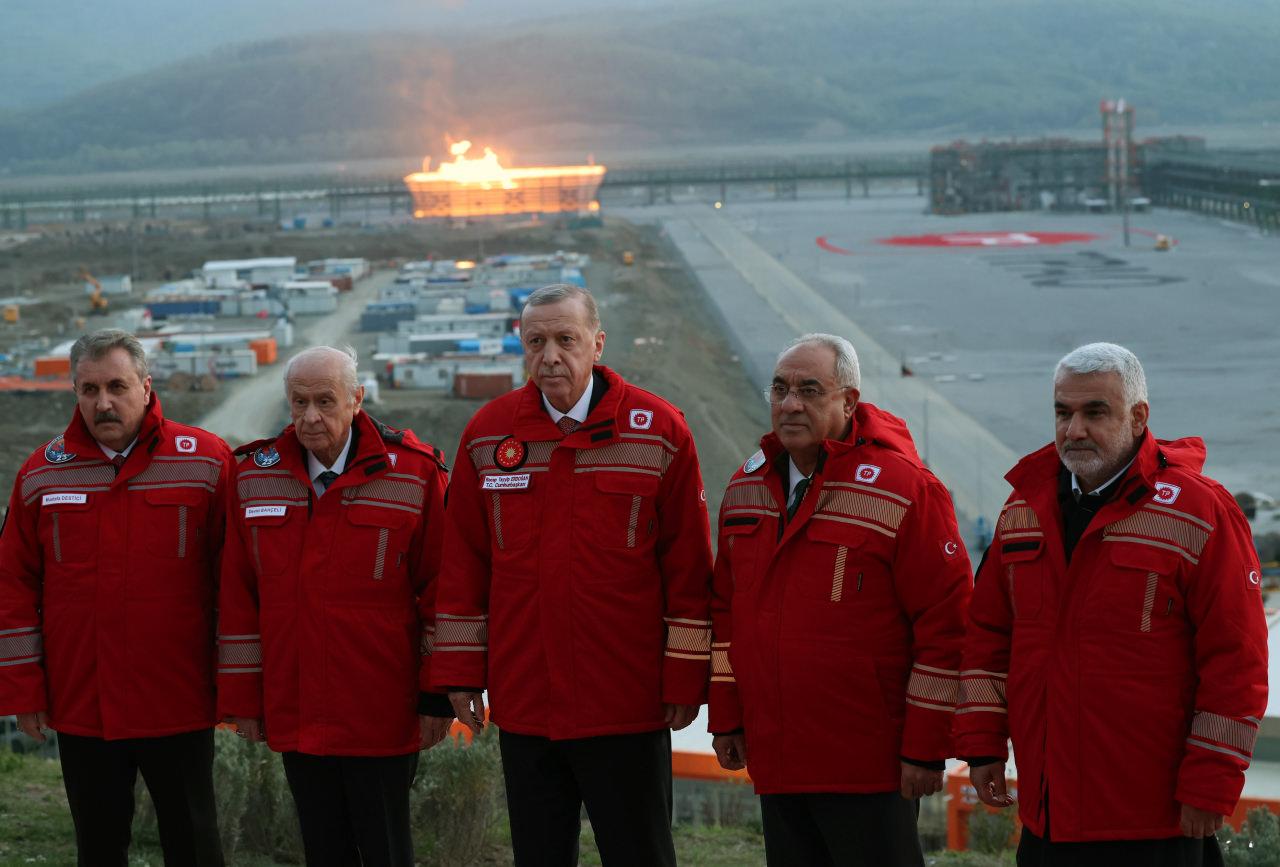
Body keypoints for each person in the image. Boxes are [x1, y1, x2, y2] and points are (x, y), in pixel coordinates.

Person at [431, 284, 714, 867]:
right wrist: (460, 673)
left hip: (627, 700)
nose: (550, 356)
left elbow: (688, 567)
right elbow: (462, 565)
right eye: (536, 342)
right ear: (521, 346)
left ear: (597, 343)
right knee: (539, 854)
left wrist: (685, 678)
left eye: (566, 340)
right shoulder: (489, 435)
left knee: (640, 853)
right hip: (528, 699)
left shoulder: (658, 431)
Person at [959, 342, 1267, 866]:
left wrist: (1211, 781)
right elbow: (989, 636)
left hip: (1154, 819)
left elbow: (1236, 660)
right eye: (1062, 412)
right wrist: (983, 746)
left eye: (1094, 412)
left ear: (1138, 416)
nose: (1073, 429)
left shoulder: (1200, 510)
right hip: (1048, 814)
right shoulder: (1023, 509)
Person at [708, 333, 972, 867]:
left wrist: (926, 746)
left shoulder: (906, 489)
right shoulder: (746, 487)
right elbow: (726, 617)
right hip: (777, 755)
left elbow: (947, 625)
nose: (789, 404)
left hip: (868, 762)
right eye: (780, 389)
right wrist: (728, 718)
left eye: (809, 391)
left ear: (848, 402)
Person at [0, 329, 233, 866]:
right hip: (84, 702)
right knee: (99, 847)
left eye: (117, 386)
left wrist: (237, 683)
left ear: (147, 387)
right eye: (88, 389)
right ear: (75, 392)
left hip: (178, 698)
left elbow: (236, 583)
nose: (103, 402)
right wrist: (23, 689)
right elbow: (13, 586)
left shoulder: (205, 462)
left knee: (194, 843)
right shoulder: (41, 473)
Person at [216, 346, 453, 867]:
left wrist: (437, 695)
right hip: (295, 704)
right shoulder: (254, 477)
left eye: (325, 401)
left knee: (387, 849)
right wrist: (244, 699)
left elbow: (442, 591)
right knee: (323, 848)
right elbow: (238, 599)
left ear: (357, 400)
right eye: (298, 402)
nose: (310, 417)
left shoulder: (412, 474)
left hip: (382, 710)